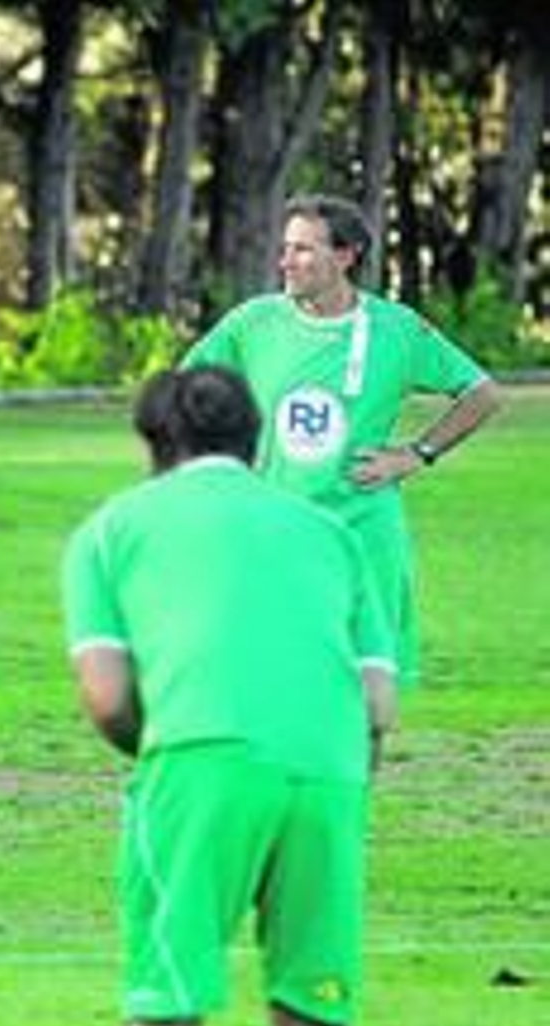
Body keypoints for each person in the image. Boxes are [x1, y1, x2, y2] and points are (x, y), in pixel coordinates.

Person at [62, 366, 399, 1026]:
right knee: (317, 1010)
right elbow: (377, 703)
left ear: (154, 444)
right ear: (256, 438)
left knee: (168, 1002)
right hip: (329, 772)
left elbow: (106, 696)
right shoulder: (331, 533)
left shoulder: (110, 531)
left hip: (201, 758)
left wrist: (167, 742)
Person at [183, 193, 503, 684]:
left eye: (303, 250)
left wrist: (417, 454)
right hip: (276, 529)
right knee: (275, 671)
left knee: (367, 680)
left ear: (346, 255)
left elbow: (481, 394)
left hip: (364, 532)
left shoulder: (396, 329)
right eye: (286, 248)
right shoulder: (254, 323)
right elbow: (186, 390)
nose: (286, 262)